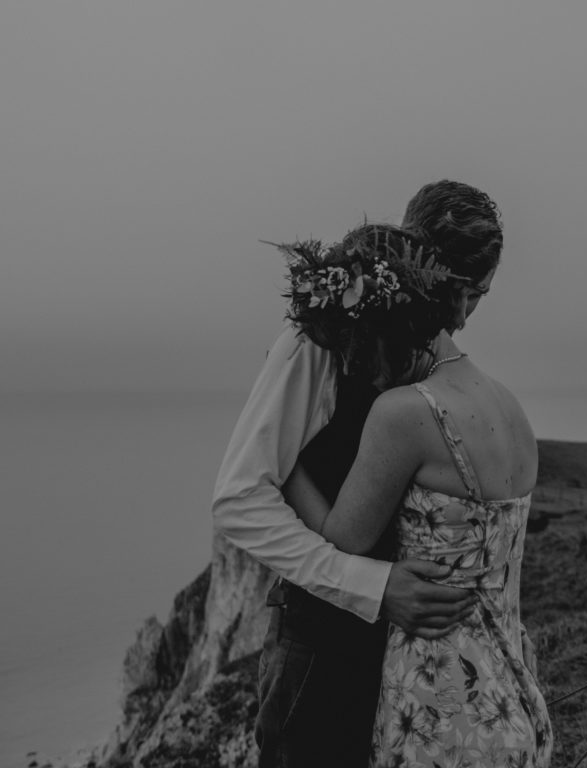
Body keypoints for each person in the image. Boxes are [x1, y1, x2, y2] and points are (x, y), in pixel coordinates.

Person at [211, 181, 505, 767]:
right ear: (423, 269)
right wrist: (372, 586)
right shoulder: (316, 341)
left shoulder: (435, 361)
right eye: (461, 293)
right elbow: (239, 499)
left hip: (404, 655)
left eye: (481, 296)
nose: (466, 318)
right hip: (317, 647)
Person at [279, 224, 553, 767]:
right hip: (513, 698)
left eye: (362, 349)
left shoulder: (404, 412)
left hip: (439, 705)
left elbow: (341, 538)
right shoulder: (509, 406)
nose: (357, 368)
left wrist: (283, 467)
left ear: (397, 327)